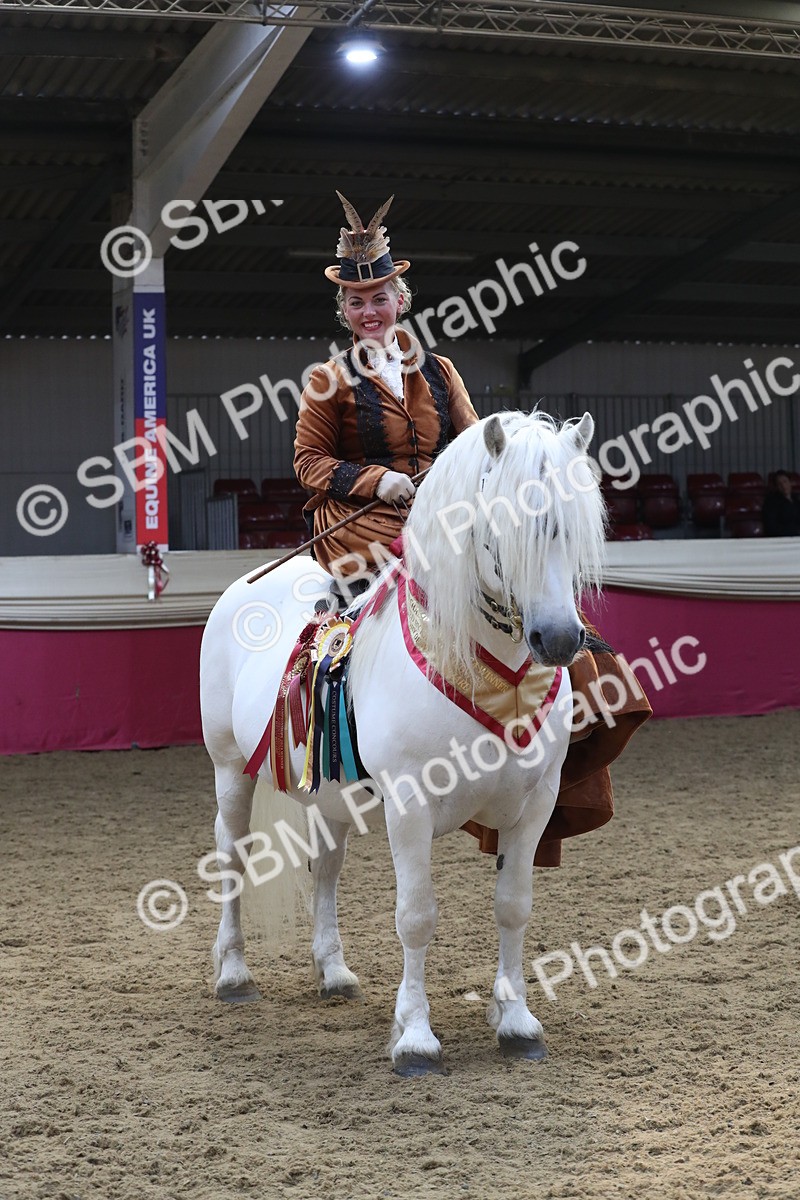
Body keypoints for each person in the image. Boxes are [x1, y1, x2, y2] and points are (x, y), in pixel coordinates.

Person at [293, 192, 479, 605]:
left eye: (380, 299)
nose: (369, 312)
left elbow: (475, 441)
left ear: (400, 300)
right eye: (356, 303)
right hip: (360, 520)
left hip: (436, 508)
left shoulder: (442, 370)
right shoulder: (327, 379)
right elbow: (308, 462)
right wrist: (376, 481)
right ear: (345, 311)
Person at [763, 470, 800, 537]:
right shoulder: (771, 502)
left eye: (785, 481)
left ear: (790, 482)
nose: (783, 486)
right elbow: (771, 527)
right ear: (776, 487)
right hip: (782, 538)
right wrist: (795, 531)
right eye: (779, 484)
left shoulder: (796, 499)